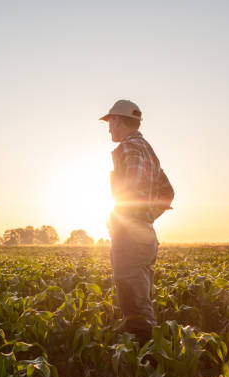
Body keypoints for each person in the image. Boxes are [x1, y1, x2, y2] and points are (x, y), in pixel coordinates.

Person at [100, 99, 170, 343]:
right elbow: (167, 192)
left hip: (131, 234)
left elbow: (133, 185)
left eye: (110, 123)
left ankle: (149, 364)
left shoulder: (130, 148)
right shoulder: (148, 149)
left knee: (134, 305)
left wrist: (123, 218)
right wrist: (147, 218)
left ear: (118, 120)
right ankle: (149, 362)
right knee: (140, 298)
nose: (108, 128)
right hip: (145, 233)